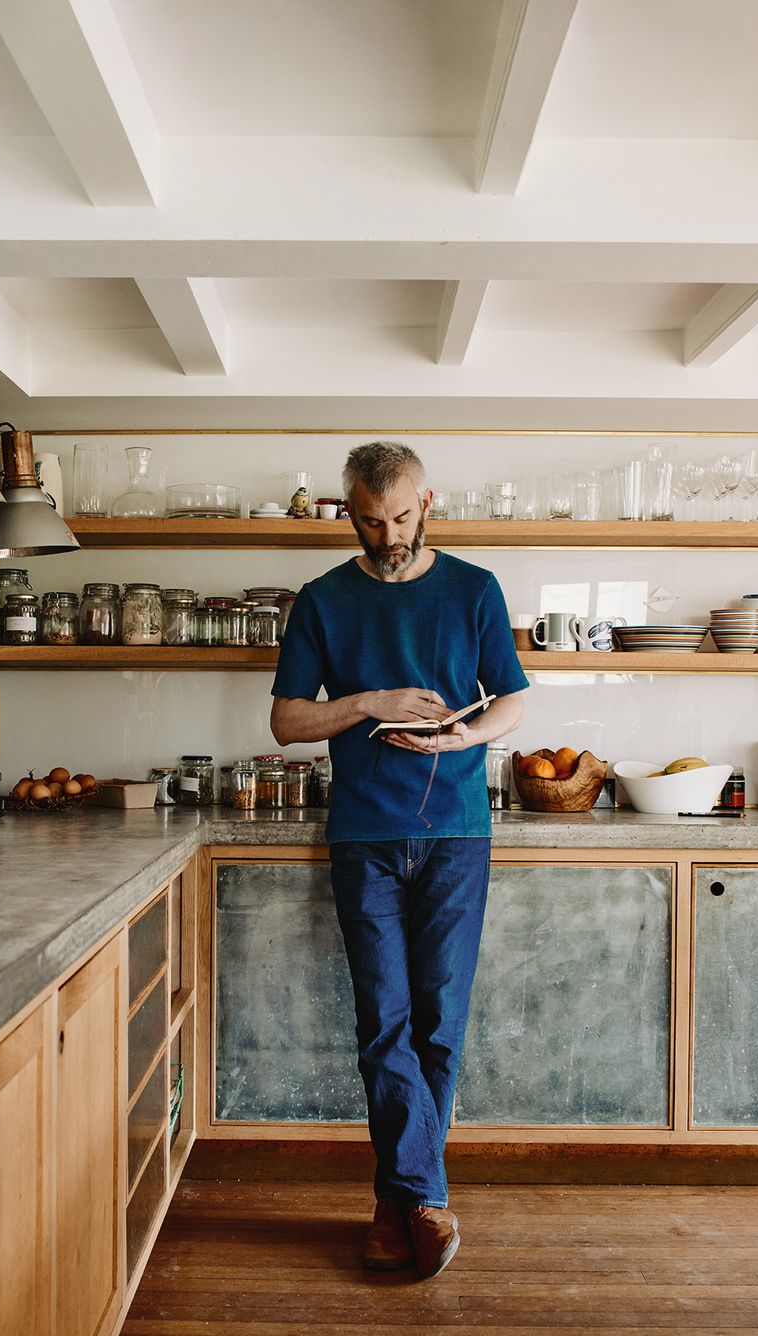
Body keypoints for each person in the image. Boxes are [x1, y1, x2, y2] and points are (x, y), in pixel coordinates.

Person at [270, 441, 528, 1279]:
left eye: (405, 516)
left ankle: (398, 1203)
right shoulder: (323, 600)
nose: (392, 534)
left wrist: (463, 734)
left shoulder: (474, 590)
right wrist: (369, 703)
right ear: (349, 512)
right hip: (364, 835)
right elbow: (285, 722)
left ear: (428, 503)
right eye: (373, 520)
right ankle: (424, 1199)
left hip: (456, 830)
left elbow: (514, 699)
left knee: (439, 1021)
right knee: (383, 1022)